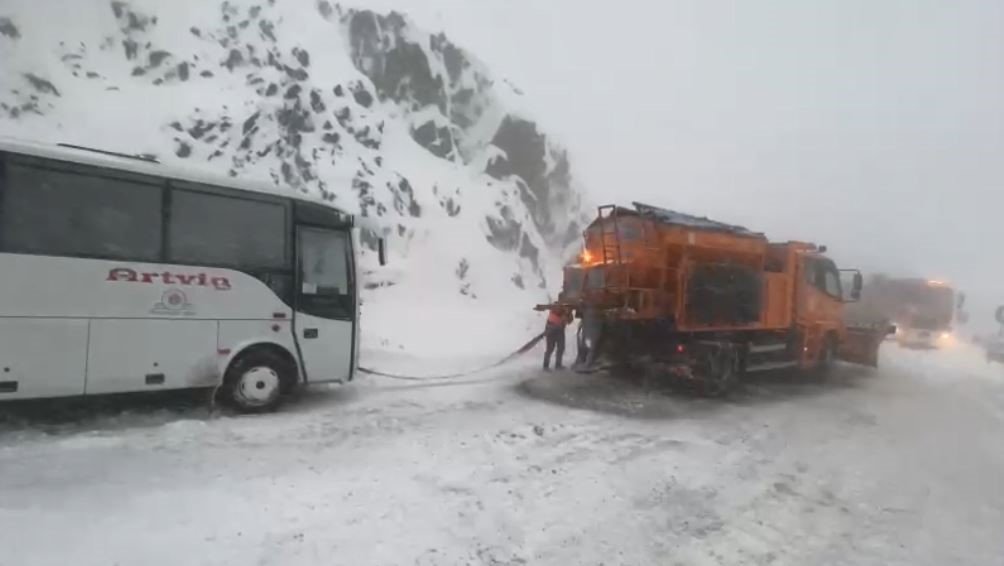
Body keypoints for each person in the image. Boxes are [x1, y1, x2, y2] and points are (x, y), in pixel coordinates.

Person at [543, 305, 573, 371]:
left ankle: (558, 365)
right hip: (551, 328)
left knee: (561, 347)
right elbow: (557, 312)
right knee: (550, 348)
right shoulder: (557, 306)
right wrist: (564, 311)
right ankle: (545, 366)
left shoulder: (568, 311)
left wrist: (567, 313)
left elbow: (569, 321)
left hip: (560, 329)